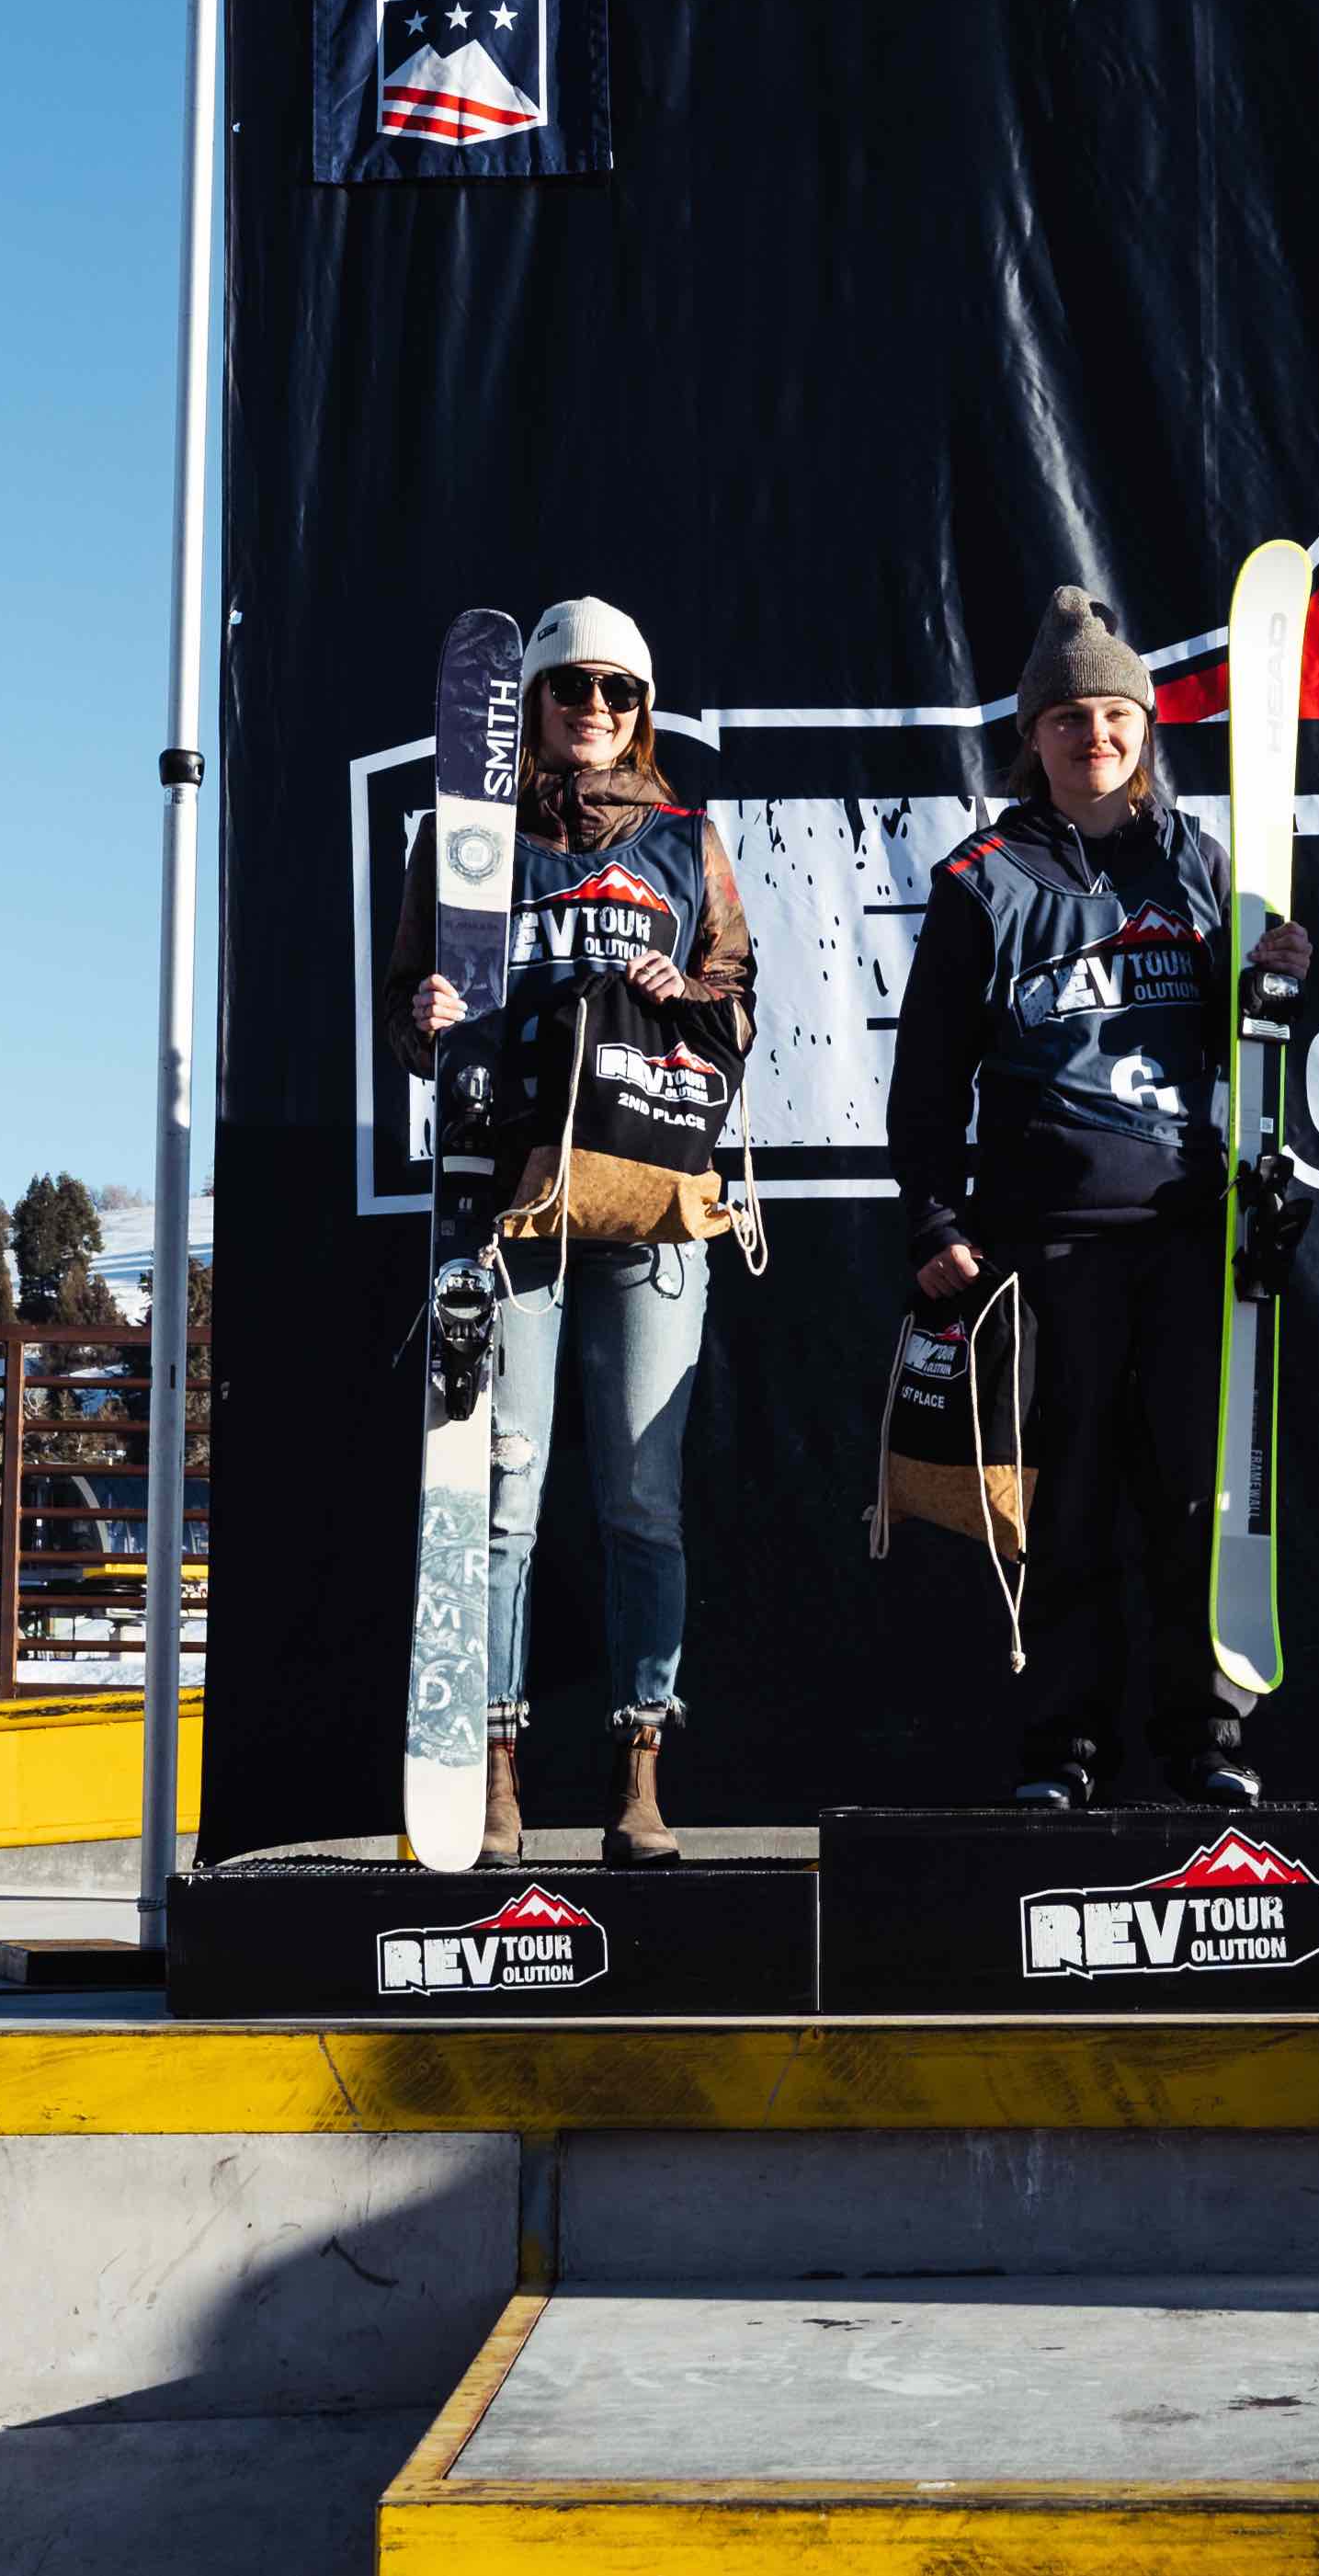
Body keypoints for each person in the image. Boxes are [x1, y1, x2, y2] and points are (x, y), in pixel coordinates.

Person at [887, 586, 1312, 1808]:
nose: (1093, 737)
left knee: (1195, 1496)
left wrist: (1283, 981)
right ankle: (1063, 1753)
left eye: (1112, 713)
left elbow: (1254, 1046)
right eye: (1067, 717)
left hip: (1189, 1233)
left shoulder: (1198, 862)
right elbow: (925, 1080)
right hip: (1045, 1239)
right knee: (1061, 1502)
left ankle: (1206, 1747)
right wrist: (934, 1216)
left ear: (1145, 724)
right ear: (1033, 735)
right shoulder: (983, 880)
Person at [379, 598, 756, 1866]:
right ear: (528, 705)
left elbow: (741, 1015)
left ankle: (641, 1772)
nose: (589, 711)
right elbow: (412, 1022)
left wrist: (691, 995)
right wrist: (426, 1018)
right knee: (503, 1499)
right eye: (565, 690)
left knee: (644, 1500)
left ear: (639, 712)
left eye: (614, 692)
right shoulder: (467, 839)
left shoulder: (683, 841)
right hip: (512, 1202)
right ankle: (494, 1771)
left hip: (647, 1203)